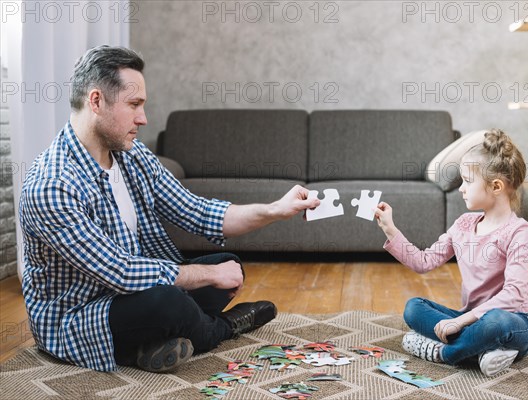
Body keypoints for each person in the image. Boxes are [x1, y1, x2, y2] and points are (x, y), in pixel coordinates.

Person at [19, 45, 320, 373]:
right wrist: (206, 276)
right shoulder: (51, 185)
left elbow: (198, 212)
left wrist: (276, 209)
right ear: (96, 101)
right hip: (79, 316)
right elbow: (120, 272)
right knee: (171, 300)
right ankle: (221, 329)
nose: (143, 118)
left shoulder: (131, 155)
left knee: (228, 264)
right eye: (134, 105)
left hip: (135, 293)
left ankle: (149, 346)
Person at [374, 129, 528, 377]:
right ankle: (483, 351)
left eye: (467, 181)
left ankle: (444, 353)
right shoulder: (463, 224)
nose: (461, 188)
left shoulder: (519, 231)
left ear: (496, 186)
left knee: (496, 322)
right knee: (413, 308)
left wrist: (460, 322)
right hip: (471, 321)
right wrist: (391, 229)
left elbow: (514, 294)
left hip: (516, 323)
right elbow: (424, 261)